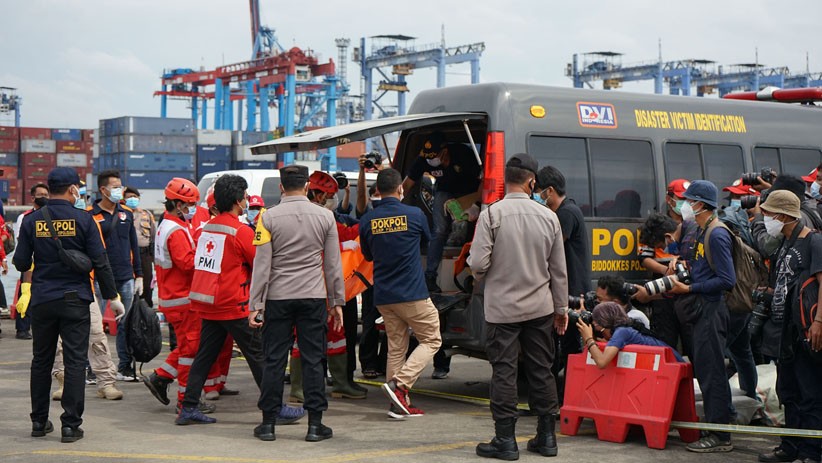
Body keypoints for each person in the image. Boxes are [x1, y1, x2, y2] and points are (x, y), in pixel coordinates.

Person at [176, 174, 306, 429]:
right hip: (234, 304)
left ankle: (188, 406)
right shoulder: (240, 231)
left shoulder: (207, 228)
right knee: (260, 358)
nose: (247, 201)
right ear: (238, 201)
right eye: (246, 197)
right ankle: (275, 408)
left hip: (209, 304)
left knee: (204, 357)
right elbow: (260, 263)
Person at [467, 153, 569, 460]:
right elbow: (558, 271)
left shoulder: (492, 215)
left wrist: (482, 272)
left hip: (502, 310)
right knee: (542, 370)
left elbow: (479, 263)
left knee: (504, 372)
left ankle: (505, 441)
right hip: (540, 308)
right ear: (532, 182)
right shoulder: (549, 217)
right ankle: (547, 438)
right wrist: (561, 309)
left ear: (506, 180)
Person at [14, 167, 123, 443]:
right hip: (75, 300)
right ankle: (70, 425)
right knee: (75, 362)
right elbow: (100, 262)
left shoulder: (31, 220)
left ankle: (39, 421)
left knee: (41, 361)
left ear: (50, 189)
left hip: (42, 300)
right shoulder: (84, 220)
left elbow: (22, 262)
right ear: (73, 189)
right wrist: (113, 297)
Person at [248, 165, 345, 442]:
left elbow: (262, 265)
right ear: (306, 187)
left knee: (274, 360)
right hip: (313, 297)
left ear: (281, 187)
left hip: (278, 298)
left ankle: (268, 424)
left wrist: (256, 304)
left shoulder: (266, 219)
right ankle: (315, 425)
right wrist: (336, 301)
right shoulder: (325, 217)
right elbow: (332, 264)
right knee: (314, 359)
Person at [359, 168, 441, 419]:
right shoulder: (415, 214)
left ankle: (398, 404)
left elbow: (368, 255)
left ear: (377, 192)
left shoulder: (367, 220)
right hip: (412, 293)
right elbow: (428, 242)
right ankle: (400, 384)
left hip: (383, 295)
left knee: (396, 348)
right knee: (432, 339)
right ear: (400, 189)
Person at [668, 180, 735, 453]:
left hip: (711, 309)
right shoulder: (702, 229)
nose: (685, 205)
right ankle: (715, 428)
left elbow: (726, 279)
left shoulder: (717, 233)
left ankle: (720, 436)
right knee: (707, 371)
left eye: (689, 200)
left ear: (699, 204)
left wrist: (691, 287)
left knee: (713, 373)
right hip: (702, 309)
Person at [755, 191, 822, 463]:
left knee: (811, 393)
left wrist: (819, 322)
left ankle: (812, 452)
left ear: (783, 216)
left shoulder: (813, 241)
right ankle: (790, 446)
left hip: (806, 331)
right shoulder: (784, 243)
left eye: (769, 214)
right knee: (789, 391)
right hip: (784, 333)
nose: (766, 219)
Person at [534, 165, 589, 403]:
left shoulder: (566, 213)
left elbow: (550, 246)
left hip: (572, 290)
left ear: (549, 191)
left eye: (537, 192)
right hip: (564, 289)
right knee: (560, 348)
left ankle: (567, 399)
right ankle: (558, 396)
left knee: (569, 348)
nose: (536, 196)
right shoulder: (565, 210)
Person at [401, 132, 482, 293]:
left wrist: (476, 204)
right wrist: (396, 205)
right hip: (444, 192)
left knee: (469, 227)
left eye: (434, 157)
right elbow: (406, 185)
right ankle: (430, 276)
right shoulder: (424, 160)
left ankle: (471, 272)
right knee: (439, 230)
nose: (432, 161)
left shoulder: (463, 154)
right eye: (428, 158)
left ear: (445, 151)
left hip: (469, 193)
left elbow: (484, 180)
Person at [90, 170, 142, 381]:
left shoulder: (126, 214)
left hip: (125, 276)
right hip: (101, 277)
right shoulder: (90, 215)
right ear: (103, 190)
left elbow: (134, 246)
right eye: (115, 187)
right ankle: (91, 369)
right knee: (94, 325)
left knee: (127, 324)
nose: (119, 190)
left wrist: (139, 275)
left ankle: (125, 366)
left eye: (120, 186)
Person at [635, 212, 694, 357]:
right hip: (664, 285)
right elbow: (644, 258)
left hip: (686, 288)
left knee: (691, 340)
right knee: (666, 339)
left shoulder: (689, 233)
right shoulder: (650, 232)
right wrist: (665, 270)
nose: (664, 246)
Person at [577, 302, 685, 368]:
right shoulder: (624, 329)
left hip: (673, 365)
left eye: (595, 322)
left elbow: (602, 362)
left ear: (603, 322)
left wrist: (588, 338)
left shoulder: (622, 332)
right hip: (668, 364)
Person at [13, 183, 50, 340]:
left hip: (46, 262)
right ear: (33, 197)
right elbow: (21, 241)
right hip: (29, 261)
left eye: (46, 195)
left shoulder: (50, 215)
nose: (44, 198)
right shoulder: (25, 217)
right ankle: (22, 328)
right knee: (25, 293)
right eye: (40, 195)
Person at [124, 187, 156, 307]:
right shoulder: (121, 214)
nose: (132, 199)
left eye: (135, 196)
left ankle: (145, 314)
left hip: (145, 255)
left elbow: (153, 237)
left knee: (146, 287)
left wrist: (154, 261)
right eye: (129, 197)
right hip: (127, 256)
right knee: (128, 288)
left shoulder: (147, 214)